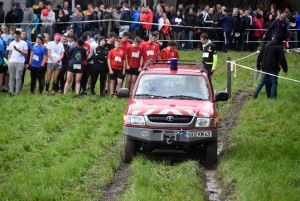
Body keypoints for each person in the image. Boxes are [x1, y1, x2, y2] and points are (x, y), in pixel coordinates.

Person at [7, 30, 28, 95]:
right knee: (12, 77)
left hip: (20, 62)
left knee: (18, 77)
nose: (16, 38)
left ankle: (17, 91)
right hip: (12, 61)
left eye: (17, 37)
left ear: (19, 36)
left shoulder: (24, 43)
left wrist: (19, 50)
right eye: (15, 37)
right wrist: (9, 60)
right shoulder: (11, 43)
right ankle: (11, 91)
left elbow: (26, 53)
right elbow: (10, 53)